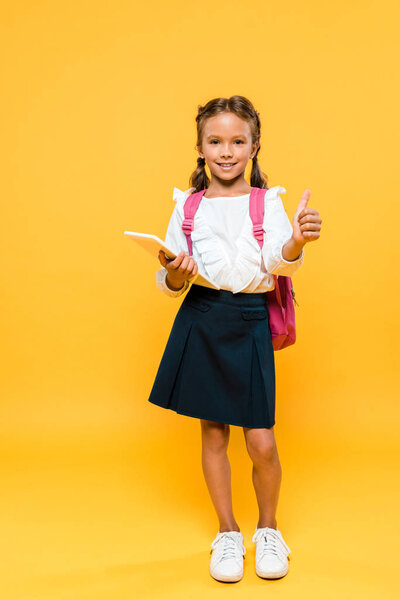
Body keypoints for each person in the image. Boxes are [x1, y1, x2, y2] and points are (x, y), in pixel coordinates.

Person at [147, 95, 322, 583]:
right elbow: (170, 283)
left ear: (254, 146)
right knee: (213, 434)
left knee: (261, 442)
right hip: (202, 319)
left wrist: (298, 241)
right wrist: (176, 273)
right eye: (215, 141)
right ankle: (227, 533)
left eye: (237, 141)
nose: (226, 151)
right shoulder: (189, 206)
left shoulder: (269, 202)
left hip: (248, 320)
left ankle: (268, 530)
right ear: (201, 148)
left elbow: (277, 264)